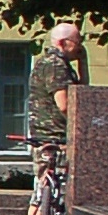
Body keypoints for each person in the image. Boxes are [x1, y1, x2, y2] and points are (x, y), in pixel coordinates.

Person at [26, 22, 88, 151]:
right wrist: (84, 126)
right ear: (63, 43)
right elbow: (64, 105)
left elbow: (81, 94)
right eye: (77, 42)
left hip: (54, 138)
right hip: (54, 140)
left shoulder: (56, 63)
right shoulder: (55, 64)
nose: (80, 47)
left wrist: (83, 63)